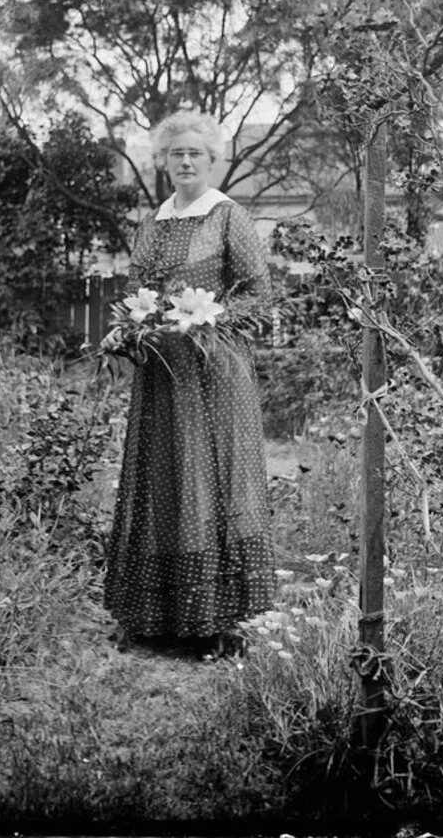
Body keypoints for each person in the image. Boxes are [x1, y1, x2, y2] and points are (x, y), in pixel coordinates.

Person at [102, 110, 275, 661]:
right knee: (165, 478)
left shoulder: (229, 217)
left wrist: (207, 321)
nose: (184, 161)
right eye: (176, 154)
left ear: (212, 159)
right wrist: (129, 328)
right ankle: (157, 616)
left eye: (195, 153)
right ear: (164, 161)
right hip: (162, 374)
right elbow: (137, 291)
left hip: (214, 373)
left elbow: (258, 294)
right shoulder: (153, 222)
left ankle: (215, 620)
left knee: (211, 479)